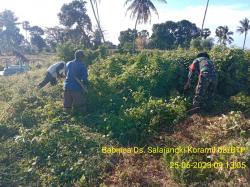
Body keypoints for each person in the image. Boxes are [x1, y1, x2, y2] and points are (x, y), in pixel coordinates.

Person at [63, 50, 88, 114]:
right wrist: (86, 86)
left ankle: (67, 120)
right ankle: (82, 120)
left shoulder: (68, 63)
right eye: (82, 57)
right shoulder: (82, 65)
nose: (83, 59)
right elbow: (84, 79)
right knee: (81, 105)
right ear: (80, 57)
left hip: (66, 87)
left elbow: (65, 74)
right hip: (76, 88)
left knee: (67, 106)